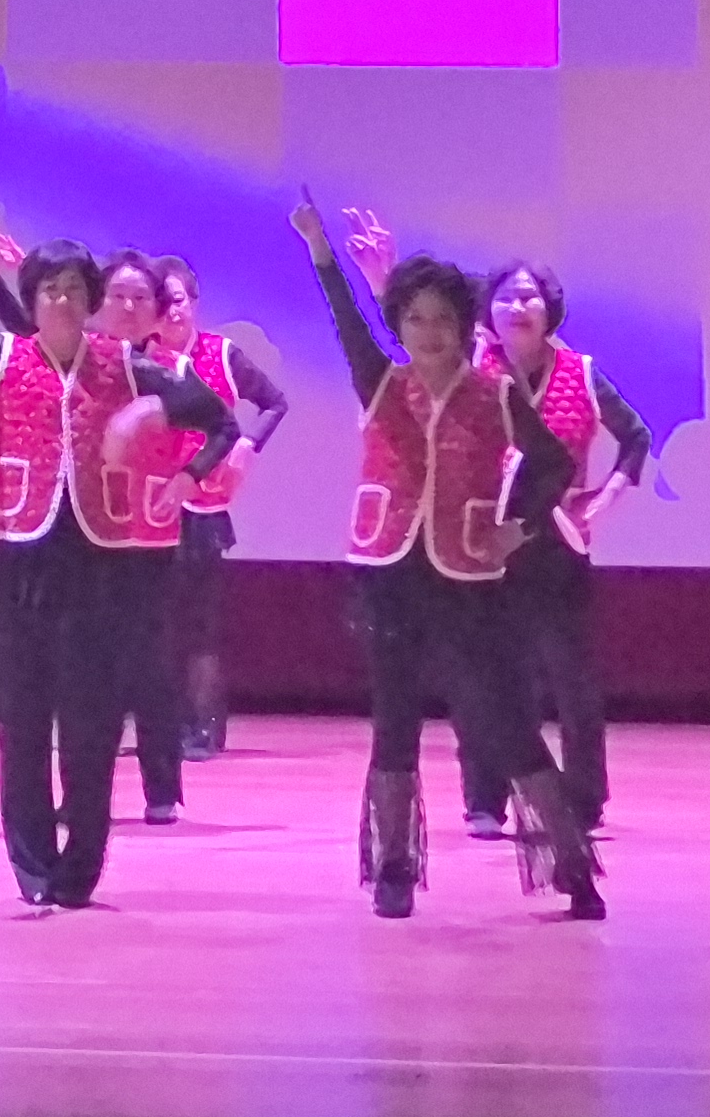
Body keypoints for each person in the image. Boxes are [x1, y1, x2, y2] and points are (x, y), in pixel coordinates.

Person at [0, 197, 235, 909]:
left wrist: (183, 470)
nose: (63, 301)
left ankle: (81, 864)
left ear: (90, 300)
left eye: (74, 289)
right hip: (22, 564)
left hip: (103, 567)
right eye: (49, 290)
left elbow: (219, 420)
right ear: (33, 300)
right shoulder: (4, 358)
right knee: (23, 716)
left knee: (91, 719)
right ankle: (32, 861)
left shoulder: (127, 367)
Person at [293, 183, 604, 921]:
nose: (428, 332)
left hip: (469, 578)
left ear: (464, 326)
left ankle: (572, 868)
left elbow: (553, 465)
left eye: (441, 319)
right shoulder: (383, 384)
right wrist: (321, 253)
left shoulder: (494, 394)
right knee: (394, 724)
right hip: (391, 574)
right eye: (414, 318)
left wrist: (518, 527)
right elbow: (347, 326)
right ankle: (394, 868)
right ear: (399, 323)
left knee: (507, 722)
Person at [451, 259, 651, 840]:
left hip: (558, 541)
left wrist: (605, 500)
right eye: (506, 297)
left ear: (549, 310)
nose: (517, 307)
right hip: (487, 543)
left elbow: (635, 436)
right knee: (485, 674)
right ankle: (485, 798)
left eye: (529, 297)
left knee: (572, 679)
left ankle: (584, 799)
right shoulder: (473, 369)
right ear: (487, 310)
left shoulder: (580, 372)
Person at [148, 253, 288, 763]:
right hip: (151, 507)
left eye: (179, 300)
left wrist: (248, 446)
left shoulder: (222, 355)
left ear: (194, 302)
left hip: (203, 506)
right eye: (162, 303)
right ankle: (163, 726)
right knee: (158, 625)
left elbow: (275, 402)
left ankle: (205, 728)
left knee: (200, 624)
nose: (172, 311)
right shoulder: (142, 358)